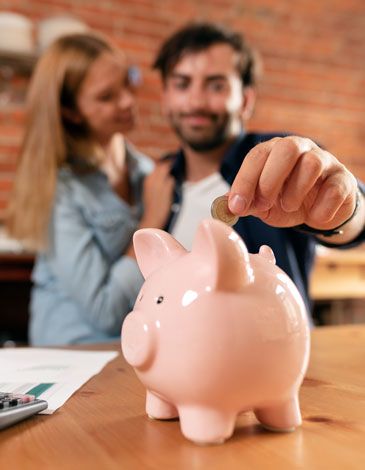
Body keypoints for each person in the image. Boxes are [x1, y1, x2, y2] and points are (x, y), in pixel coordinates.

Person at [153, 22, 365, 318]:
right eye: (182, 84)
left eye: (216, 85)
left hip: (272, 352)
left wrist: (346, 207)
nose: (196, 101)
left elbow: (355, 221)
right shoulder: (154, 180)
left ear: (246, 100)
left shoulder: (283, 159)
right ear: (165, 97)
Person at [6, 32, 173, 345]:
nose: (127, 100)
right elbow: (105, 310)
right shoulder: (61, 190)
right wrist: (151, 221)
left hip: (131, 349)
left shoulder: (148, 173)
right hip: (72, 357)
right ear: (71, 112)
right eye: (106, 97)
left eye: (126, 83)